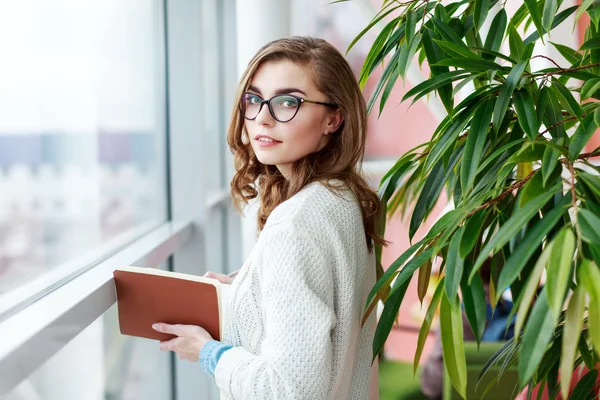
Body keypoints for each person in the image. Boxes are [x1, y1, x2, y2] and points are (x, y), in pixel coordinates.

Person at [151, 36, 388, 399]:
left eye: (287, 102)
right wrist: (249, 289)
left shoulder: (294, 224)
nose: (262, 117)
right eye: (254, 99)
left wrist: (208, 353)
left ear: (334, 118)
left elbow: (289, 390)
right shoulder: (345, 197)